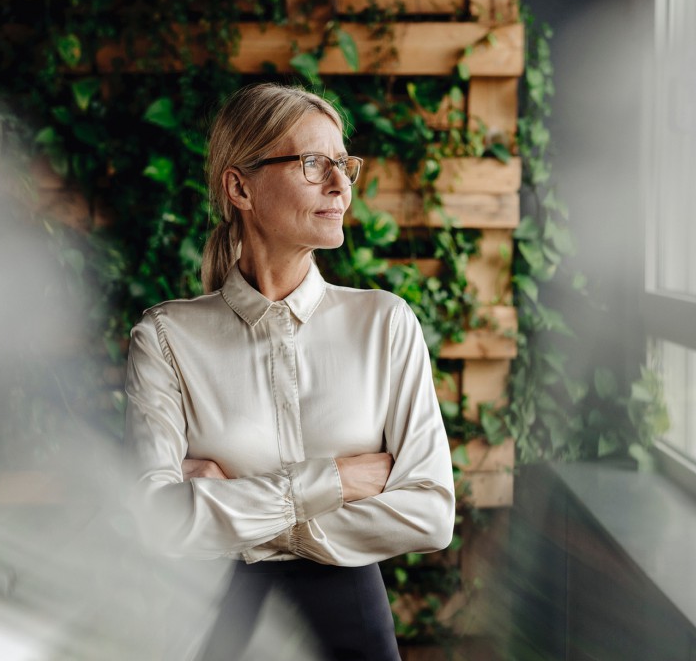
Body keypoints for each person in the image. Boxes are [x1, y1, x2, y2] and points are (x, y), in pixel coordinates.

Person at [124, 83, 455, 660]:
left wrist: (230, 513)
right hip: (214, 625)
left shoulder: (385, 323)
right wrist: (336, 483)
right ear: (240, 186)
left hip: (352, 626)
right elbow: (156, 522)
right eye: (311, 164)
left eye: (343, 164)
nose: (340, 185)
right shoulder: (166, 338)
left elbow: (430, 513)